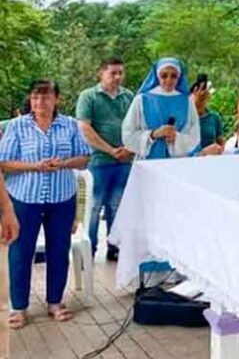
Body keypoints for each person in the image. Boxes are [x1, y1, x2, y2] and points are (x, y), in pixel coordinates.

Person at [0, 80, 91, 329]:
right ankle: (19, 308)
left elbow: (84, 159)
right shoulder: (17, 126)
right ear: (30, 100)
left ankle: (55, 302)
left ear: (56, 99)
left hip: (62, 198)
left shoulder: (70, 125)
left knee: (59, 250)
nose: (40, 102)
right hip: (24, 199)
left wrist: (62, 163)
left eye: (46, 97)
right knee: (21, 252)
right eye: (35, 97)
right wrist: (35, 166)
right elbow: (4, 163)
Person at [76, 58, 134, 261]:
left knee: (117, 205)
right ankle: (87, 251)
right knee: (94, 206)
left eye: (120, 73)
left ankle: (114, 246)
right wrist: (110, 150)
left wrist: (128, 149)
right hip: (99, 160)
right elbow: (84, 127)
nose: (118, 77)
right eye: (113, 73)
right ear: (102, 73)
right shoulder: (89, 96)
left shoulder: (128, 96)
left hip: (124, 161)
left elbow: (135, 126)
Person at [122, 58, 200, 159]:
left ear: (179, 77)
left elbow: (195, 135)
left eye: (173, 76)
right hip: (148, 163)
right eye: (164, 75)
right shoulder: (142, 99)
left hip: (178, 162)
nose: (169, 80)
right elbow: (128, 134)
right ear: (157, 76)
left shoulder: (186, 101)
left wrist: (176, 138)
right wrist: (153, 134)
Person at [192, 81, 224, 156]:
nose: (201, 96)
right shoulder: (186, 117)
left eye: (205, 94)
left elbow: (220, 142)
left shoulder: (214, 117)